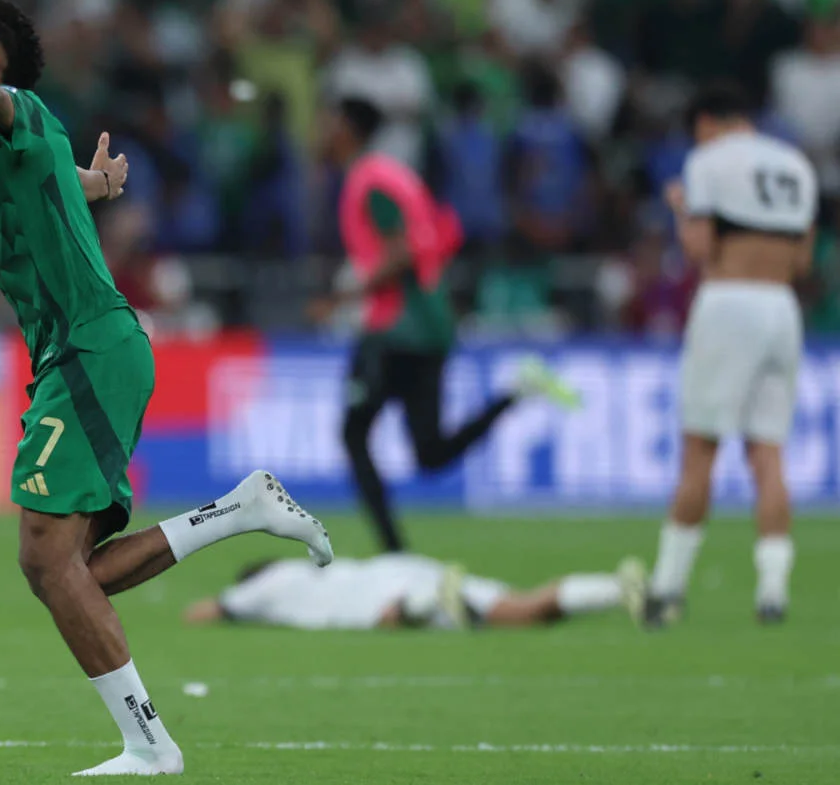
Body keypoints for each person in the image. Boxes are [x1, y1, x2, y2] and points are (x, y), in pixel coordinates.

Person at [0, 0, 333, 777]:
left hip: (90, 350)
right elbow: (47, 178)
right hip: (74, 359)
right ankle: (240, 510)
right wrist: (97, 184)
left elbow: (6, 109)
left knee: (43, 558)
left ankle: (150, 745)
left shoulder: (14, 113)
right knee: (66, 569)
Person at [317, 98, 580, 553]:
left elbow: (399, 252)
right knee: (429, 452)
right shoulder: (395, 175)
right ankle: (517, 391)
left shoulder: (368, 180)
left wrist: (343, 297)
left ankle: (394, 552)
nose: (320, 129)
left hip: (395, 328)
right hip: (432, 324)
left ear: (346, 127)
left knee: (354, 434)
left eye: (327, 120)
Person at [646, 84, 818, 627]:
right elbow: (804, 260)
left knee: (700, 450)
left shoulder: (708, 160)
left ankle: (667, 588)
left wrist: (680, 210)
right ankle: (772, 590)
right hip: (781, 308)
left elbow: (699, 250)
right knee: (768, 453)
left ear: (706, 123)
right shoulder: (796, 164)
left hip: (728, 301)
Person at [185, 553, 647, 631]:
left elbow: (212, 610)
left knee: (390, 619)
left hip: (384, 596)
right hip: (404, 567)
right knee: (523, 609)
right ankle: (617, 587)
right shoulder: (311, 570)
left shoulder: (268, 585)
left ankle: (426, 605)